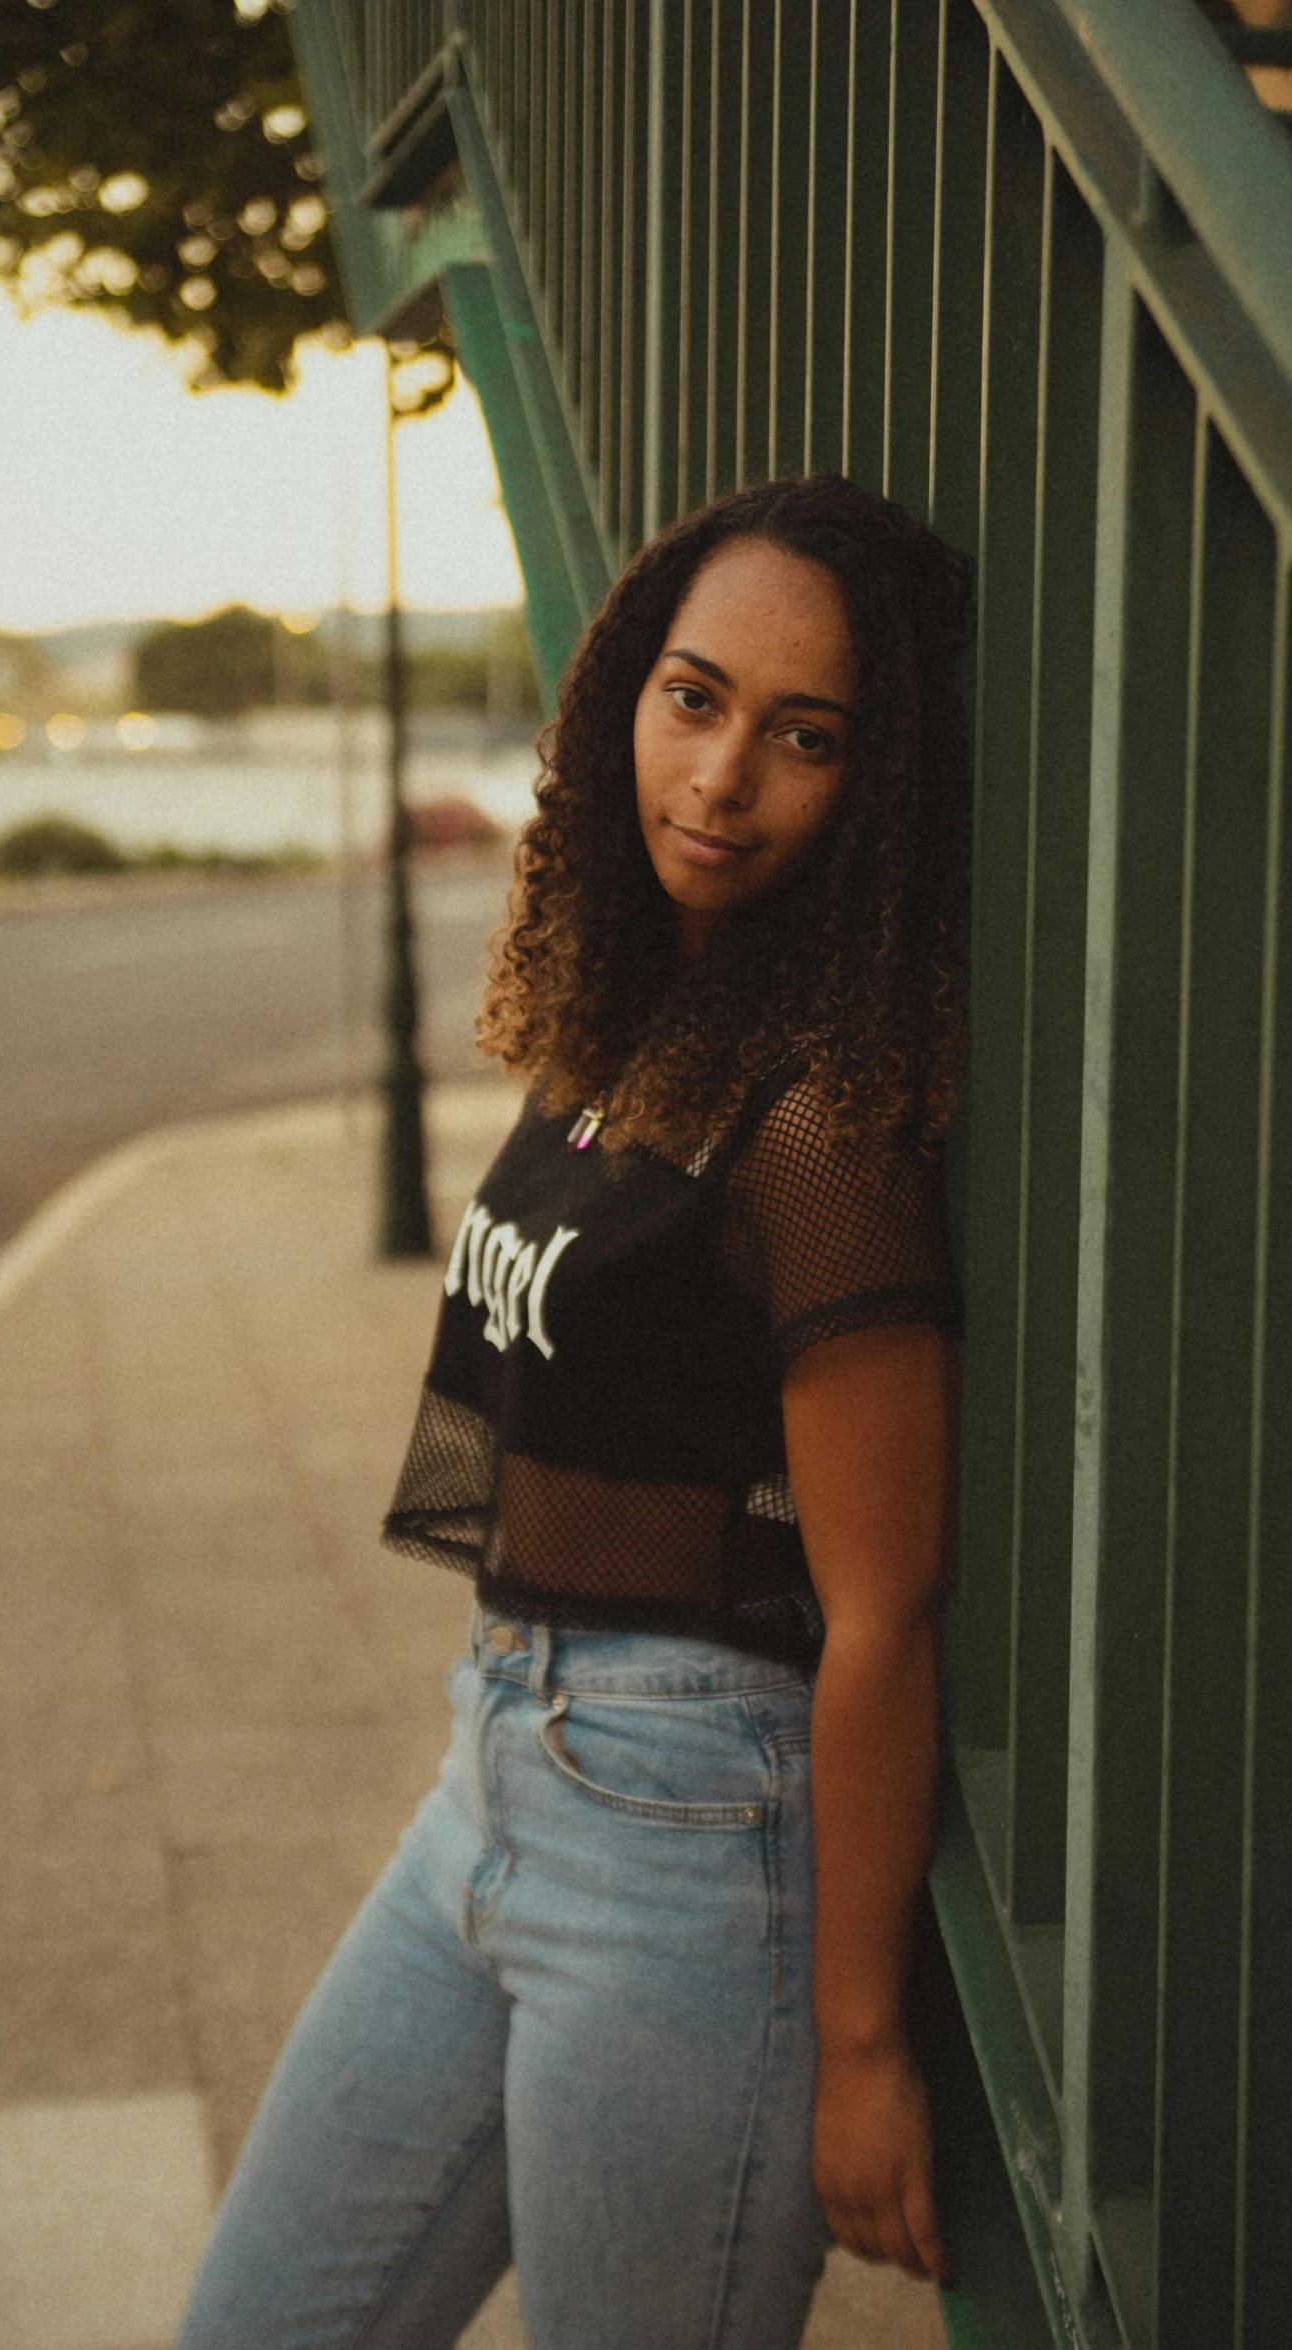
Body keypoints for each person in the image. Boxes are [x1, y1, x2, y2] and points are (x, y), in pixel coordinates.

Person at [173, 473, 972, 2350]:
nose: (719, 777)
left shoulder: (818, 1124)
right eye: (692, 699)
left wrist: (857, 2046)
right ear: (623, 685)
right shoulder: (627, 1032)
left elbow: (882, 1610)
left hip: (697, 1846)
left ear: (880, 785)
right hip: (490, 1782)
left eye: (805, 737)